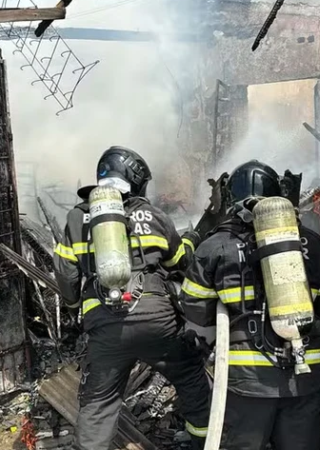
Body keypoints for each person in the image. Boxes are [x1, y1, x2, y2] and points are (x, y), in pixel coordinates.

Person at [53, 146, 210, 450]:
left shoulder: (77, 217)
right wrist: (191, 240)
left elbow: (65, 272)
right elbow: (179, 263)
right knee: (189, 376)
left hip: (105, 324)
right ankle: (204, 441)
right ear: (135, 181)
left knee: (99, 401)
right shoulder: (153, 215)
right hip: (157, 320)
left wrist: (73, 308)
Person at [179, 160, 320, 450]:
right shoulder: (311, 242)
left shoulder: (215, 246)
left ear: (231, 198)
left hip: (248, 377)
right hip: (304, 371)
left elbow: (194, 307)